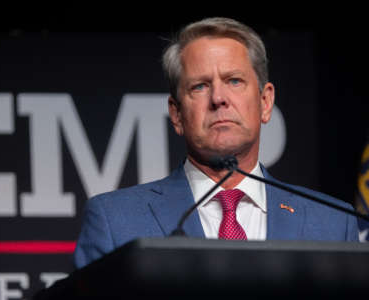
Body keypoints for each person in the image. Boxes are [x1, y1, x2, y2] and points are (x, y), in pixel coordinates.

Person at [74, 17, 358, 269]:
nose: (218, 98)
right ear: (176, 114)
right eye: (200, 86)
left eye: (234, 81)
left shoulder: (333, 221)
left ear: (265, 101)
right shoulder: (115, 221)